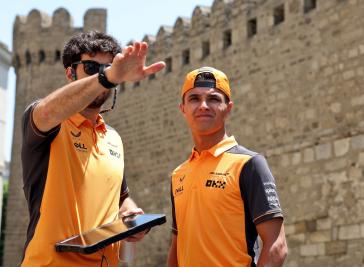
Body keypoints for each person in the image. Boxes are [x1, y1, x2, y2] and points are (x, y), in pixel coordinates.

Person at [20, 31, 165, 266]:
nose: (101, 73)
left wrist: (132, 218)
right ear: (70, 73)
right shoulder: (48, 122)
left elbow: (121, 198)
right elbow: (47, 111)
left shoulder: (113, 138)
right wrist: (107, 76)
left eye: (109, 67)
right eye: (91, 67)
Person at [166, 67, 287, 267]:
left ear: (228, 108)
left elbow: (277, 245)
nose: (203, 105)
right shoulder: (179, 174)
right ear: (183, 109)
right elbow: (177, 245)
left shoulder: (249, 164)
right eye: (194, 99)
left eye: (213, 99)